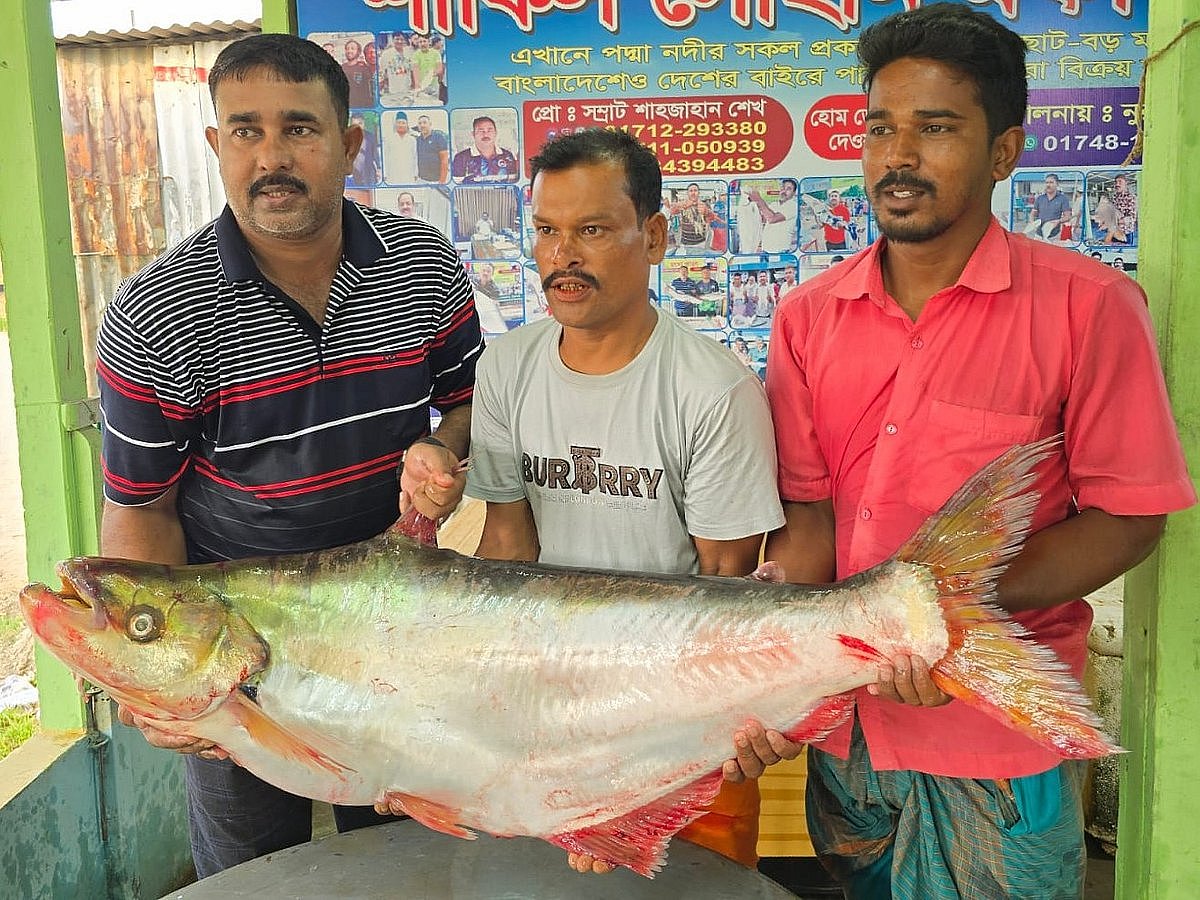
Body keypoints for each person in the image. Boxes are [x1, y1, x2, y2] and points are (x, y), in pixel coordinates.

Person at [761, 6, 1195, 897]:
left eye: (937, 128)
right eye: (881, 128)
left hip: (1000, 739)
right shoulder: (807, 318)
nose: (898, 156)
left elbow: (1130, 517)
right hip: (851, 741)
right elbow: (810, 527)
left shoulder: (1089, 307)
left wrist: (943, 624)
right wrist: (766, 673)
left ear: (1004, 152)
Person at [94, 33, 483, 878]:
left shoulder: (423, 266)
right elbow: (141, 508)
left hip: (394, 625)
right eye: (244, 131)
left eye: (300, 129)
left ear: (348, 145)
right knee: (249, 875)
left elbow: (470, 403)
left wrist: (440, 448)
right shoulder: (153, 315)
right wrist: (148, 678)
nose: (272, 158)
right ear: (215, 145)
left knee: (410, 856)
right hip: (239, 642)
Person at [460, 127, 785, 875]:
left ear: (657, 237)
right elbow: (507, 551)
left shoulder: (714, 390)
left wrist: (635, 772)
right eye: (546, 231)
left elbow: (724, 597)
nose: (562, 256)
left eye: (594, 231)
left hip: (684, 730)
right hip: (541, 724)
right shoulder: (507, 368)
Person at [451, 115, 519, 183]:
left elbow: (513, 182)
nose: (486, 135)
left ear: (495, 133)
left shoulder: (507, 156)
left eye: (489, 130)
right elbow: (457, 186)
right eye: (481, 131)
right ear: (473, 134)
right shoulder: (461, 158)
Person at [748, 178, 799, 253]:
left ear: (794, 193)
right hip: (765, 250)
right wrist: (753, 204)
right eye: (783, 188)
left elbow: (772, 219)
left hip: (780, 251)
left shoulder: (793, 206)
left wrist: (759, 199)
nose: (784, 191)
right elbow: (764, 219)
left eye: (788, 189)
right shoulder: (774, 204)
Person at [1025, 172, 1071, 240]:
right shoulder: (1040, 198)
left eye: (1051, 182)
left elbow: (1067, 216)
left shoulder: (1063, 199)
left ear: (1057, 184)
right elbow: (1033, 213)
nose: (1048, 185)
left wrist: (1058, 221)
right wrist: (1032, 222)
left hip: (1054, 236)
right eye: (1047, 182)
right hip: (1038, 235)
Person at [670, 182, 715, 251]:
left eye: (695, 190)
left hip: (700, 243)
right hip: (685, 243)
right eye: (691, 191)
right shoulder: (683, 204)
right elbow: (672, 211)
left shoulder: (705, 205)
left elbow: (711, 218)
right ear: (688, 193)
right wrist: (682, 205)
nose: (693, 193)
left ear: (698, 193)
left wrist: (706, 212)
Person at [377, 32, 413, 104]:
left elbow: (412, 71)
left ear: (404, 41)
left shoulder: (409, 52)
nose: (399, 41)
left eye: (401, 39)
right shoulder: (386, 54)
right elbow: (382, 72)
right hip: (392, 91)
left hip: (407, 91)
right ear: (393, 40)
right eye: (397, 39)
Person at [384, 112, 418, 184]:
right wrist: (385, 174)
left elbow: (415, 157)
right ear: (395, 124)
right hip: (393, 174)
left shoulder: (412, 140)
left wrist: (415, 173)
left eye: (403, 123)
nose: (401, 125)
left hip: (408, 174)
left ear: (407, 125)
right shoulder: (389, 139)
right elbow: (385, 156)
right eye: (399, 122)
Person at [340, 38, 375, 108]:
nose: (349, 51)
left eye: (352, 48)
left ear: (358, 52)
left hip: (363, 106)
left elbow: (371, 89)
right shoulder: (341, 68)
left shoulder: (364, 67)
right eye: (347, 49)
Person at [415, 114, 449, 182]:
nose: (422, 125)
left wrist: (442, 181)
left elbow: (444, 161)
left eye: (424, 122)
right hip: (421, 180)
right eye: (420, 123)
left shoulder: (439, 137)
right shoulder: (417, 140)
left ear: (430, 124)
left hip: (436, 181)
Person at [1111, 173, 1138, 240]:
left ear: (1126, 183)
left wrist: (1117, 220)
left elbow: (1132, 218)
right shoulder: (1114, 197)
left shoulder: (1131, 197)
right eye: (1116, 182)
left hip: (1126, 233)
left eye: (1120, 182)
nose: (1117, 184)